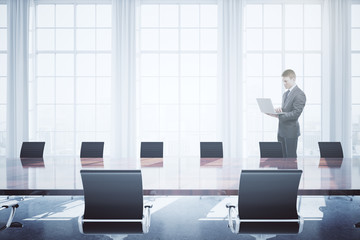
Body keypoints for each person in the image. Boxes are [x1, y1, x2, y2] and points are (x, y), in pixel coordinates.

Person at [268, 69, 306, 158]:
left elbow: (296, 113)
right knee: (281, 158)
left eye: (286, 81)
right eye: (283, 81)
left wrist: (280, 116)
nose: (284, 83)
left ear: (293, 79)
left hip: (290, 132)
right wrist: (279, 111)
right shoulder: (285, 94)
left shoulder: (299, 94)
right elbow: (286, 109)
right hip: (281, 131)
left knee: (291, 158)